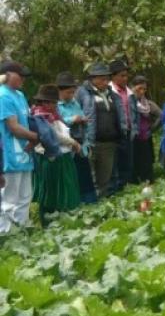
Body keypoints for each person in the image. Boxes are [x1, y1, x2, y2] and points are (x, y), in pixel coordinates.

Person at [31, 84, 81, 225]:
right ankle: (50, 221)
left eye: (53, 102)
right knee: (52, 190)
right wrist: (73, 143)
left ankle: (64, 219)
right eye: (49, 102)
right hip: (50, 157)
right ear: (43, 102)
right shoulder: (40, 116)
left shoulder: (53, 115)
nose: (52, 104)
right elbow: (55, 136)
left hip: (62, 155)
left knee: (65, 187)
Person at [76, 62, 126, 198]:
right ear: (93, 79)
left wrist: (123, 130)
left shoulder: (112, 94)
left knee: (105, 177)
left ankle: (102, 204)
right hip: (90, 141)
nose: (106, 82)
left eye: (107, 78)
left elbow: (119, 114)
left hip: (109, 143)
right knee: (90, 177)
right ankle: (91, 205)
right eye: (102, 79)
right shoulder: (82, 93)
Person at [0, 61, 37, 234]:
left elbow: (27, 122)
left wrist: (34, 138)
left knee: (24, 197)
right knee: (9, 199)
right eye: (19, 75)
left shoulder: (20, 96)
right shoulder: (2, 95)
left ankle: (22, 231)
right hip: (9, 154)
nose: (23, 79)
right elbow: (13, 127)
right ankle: (5, 235)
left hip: (25, 152)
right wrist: (36, 137)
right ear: (7, 75)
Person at [56, 71, 97, 204]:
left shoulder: (74, 103)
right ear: (60, 91)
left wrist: (82, 120)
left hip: (80, 142)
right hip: (66, 145)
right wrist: (72, 119)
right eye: (68, 92)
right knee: (71, 176)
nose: (71, 95)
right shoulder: (55, 105)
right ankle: (74, 204)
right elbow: (56, 123)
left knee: (84, 174)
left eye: (73, 92)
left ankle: (90, 203)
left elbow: (81, 115)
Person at [109, 59, 138, 190]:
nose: (125, 78)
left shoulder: (130, 93)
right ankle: (116, 190)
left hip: (129, 132)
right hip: (115, 134)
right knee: (115, 164)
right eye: (122, 75)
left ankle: (126, 188)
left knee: (128, 163)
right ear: (113, 76)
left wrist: (134, 129)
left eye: (126, 75)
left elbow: (134, 112)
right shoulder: (109, 92)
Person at [131, 75, 161, 183]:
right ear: (133, 87)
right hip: (133, 137)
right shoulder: (128, 101)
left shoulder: (147, 103)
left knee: (146, 162)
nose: (142, 91)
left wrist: (152, 129)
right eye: (139, 88)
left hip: (145, 137)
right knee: (134, 162)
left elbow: (161, 115)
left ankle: (148, 182)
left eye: (144, 89)